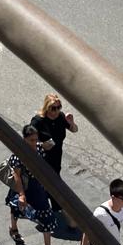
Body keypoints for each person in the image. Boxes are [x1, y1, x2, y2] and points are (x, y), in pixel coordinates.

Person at [5, 124, 61, 245]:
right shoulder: (18, 155)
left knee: (46, 215)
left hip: (37, 188)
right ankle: (13, 229)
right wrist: (21, 195)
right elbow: (17, 176)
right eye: (31, 140)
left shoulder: (39, 147)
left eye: (36, 139)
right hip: (23, 187)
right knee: (16, 208)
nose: (34, 143)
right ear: (24, 139)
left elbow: (52, 143)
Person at [31, 94, 78, 225]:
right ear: (47, 107)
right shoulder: (38, 121)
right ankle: (64, 213)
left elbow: (74, 130)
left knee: (46, 186)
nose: (56, 111)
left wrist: (71, 123)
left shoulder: (61, 117)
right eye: (53, 108)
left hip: (56, 158)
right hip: (42, 159)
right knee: (54, 185)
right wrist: (42, 145)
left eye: (58, 107)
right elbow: (28, 140)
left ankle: (30, 204)